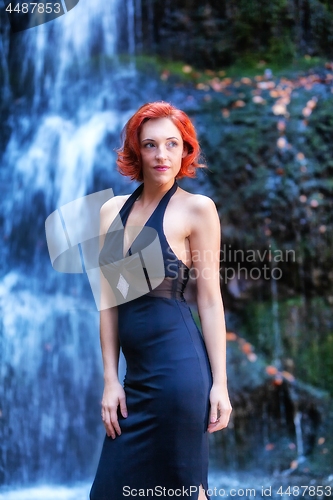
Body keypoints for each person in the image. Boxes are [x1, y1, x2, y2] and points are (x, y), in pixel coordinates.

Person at [89, 101, 232, 500]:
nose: (161, 154)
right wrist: (110, 380)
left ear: (185, 150)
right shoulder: (111, 212)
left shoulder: (197, 210)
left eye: (172, 144)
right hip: (134, 383)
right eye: (150, 145)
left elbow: (209, 301)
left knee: (185, 493)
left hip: (179, 377)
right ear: (136, 150)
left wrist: (220, 383)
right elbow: (108, 300)